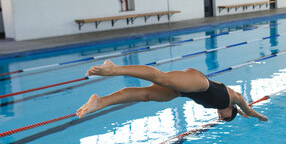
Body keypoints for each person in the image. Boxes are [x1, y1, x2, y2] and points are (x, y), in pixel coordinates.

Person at [76, 60, 268, 122]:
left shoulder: (223, 107)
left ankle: (100, 102)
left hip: (184, 92)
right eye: (225, 118)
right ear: (231, 110)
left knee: (146, 95)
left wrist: (242, 114)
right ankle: (114, 69)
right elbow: (248, 109)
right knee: (162, 77)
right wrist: (258, 116)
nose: (221, 117)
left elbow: (242, 113)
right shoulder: (234, 98)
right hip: (199, 83)